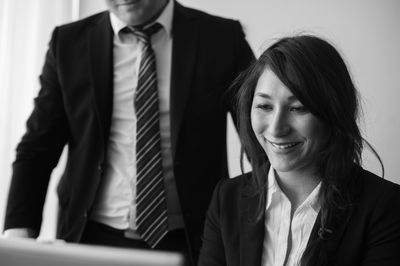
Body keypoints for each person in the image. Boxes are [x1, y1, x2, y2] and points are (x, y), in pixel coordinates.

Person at [3, 0, 254, 265]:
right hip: (91, 237)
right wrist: (19, 236)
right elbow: (38, 148)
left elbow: (260, 133)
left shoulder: (222, 38)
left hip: (195, 238)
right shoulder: (68, 42)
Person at [198, 35, 400, 266]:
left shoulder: (385, 206)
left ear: (333, 113)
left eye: (298, 108)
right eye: (264, 106)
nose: (276, 128)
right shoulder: (227, 199)